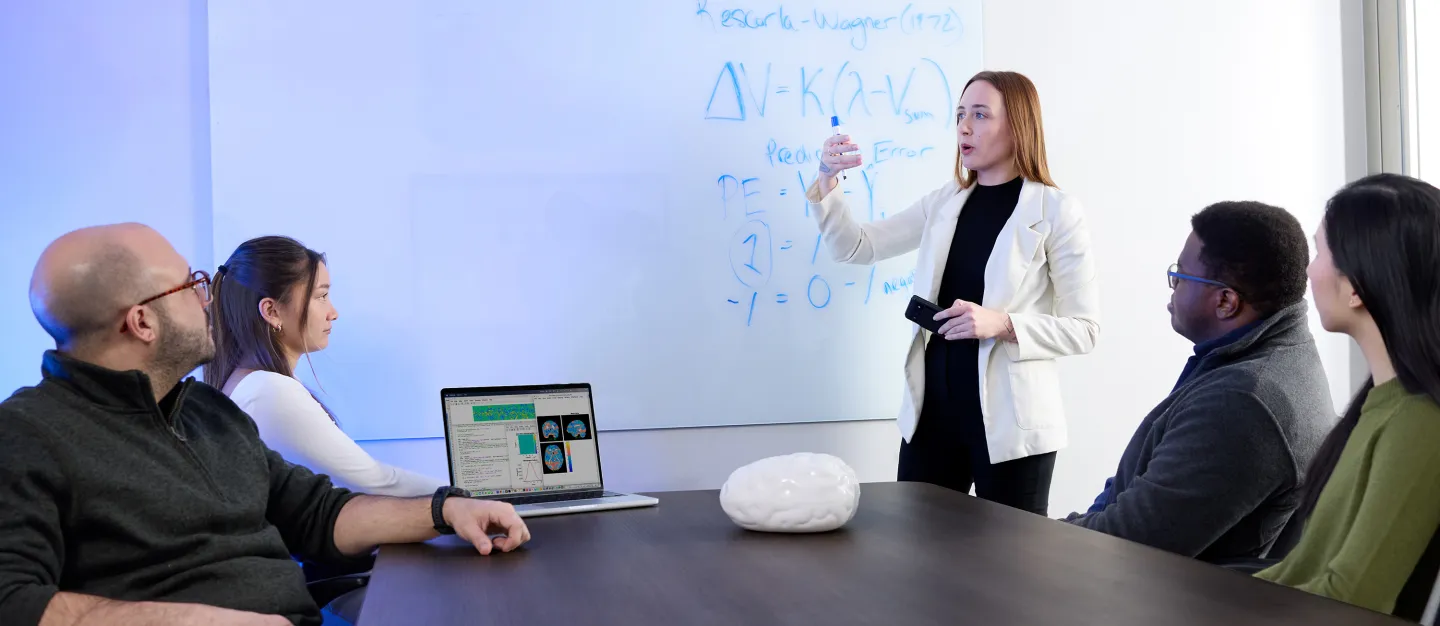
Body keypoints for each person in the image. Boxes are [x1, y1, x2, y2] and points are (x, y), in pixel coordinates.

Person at [0, 223, 528, 626]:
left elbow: (319, 514)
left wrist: (449, 509)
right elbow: (12, 600)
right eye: (192, 286)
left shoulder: (209, 412)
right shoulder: (27, 434)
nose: (209, 299)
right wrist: (202, 622)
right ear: (142, 321)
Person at [809, 70, 1100, 515]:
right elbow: (856, 247)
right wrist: (828, 178)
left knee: (1010, 566)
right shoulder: (944, 202)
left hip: (1011, 429)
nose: (964, 127)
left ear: (1018, 125)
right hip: (933, 416)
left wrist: (1003, 324)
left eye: (980, 115)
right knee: (920, 564)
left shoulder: (1056, 212)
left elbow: (1084, 330)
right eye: (961, 114)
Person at [1061, 202, 1333, 561]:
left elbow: (1125, 542)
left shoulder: (1244, 402)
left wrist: (1038, 537)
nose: (1173, 286)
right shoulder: (1270, 356)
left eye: (1182, 275)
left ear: (1225, 302)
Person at [1255, 174, 1440, 616]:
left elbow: (1353, 597)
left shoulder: (1420, 422)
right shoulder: (1380, 404)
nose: (1309, 269)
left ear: (1355, 285)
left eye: (1319, 251)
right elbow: (1301, 569)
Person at [206, 235, 445, 497]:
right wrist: (472, 502)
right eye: (321, 296)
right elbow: (375, 483)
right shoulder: (268, 391)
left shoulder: (253, 383)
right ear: (272, 311)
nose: (333, 312)